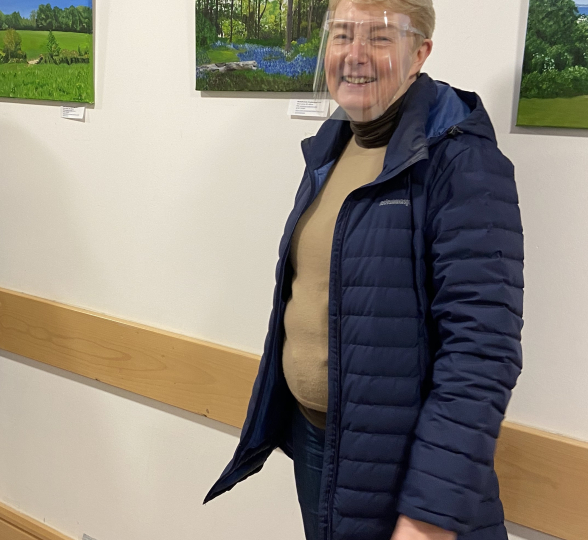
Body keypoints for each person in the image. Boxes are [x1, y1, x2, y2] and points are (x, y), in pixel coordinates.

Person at [205, 1, 523, 540]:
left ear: (419, 52)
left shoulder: (461, 161)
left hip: (399, 463)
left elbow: (481, 351)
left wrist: (427, 518)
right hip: (316, 442)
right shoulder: (336, 143)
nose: (354, 55)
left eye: (379, 37)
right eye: (342, 35)